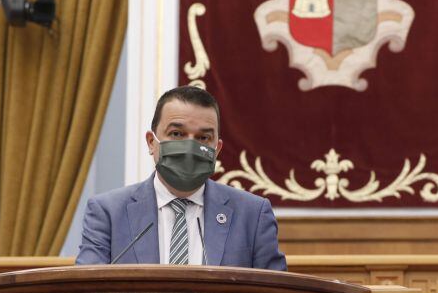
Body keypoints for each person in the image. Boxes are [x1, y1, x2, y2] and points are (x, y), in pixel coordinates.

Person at [76, 86, 287, 270]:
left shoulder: (252, 214)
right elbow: (86, 291)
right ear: (151, 142)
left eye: (203, 138)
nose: (190, 147)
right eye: (177, 134)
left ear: (217, 149)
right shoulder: (108, 212)